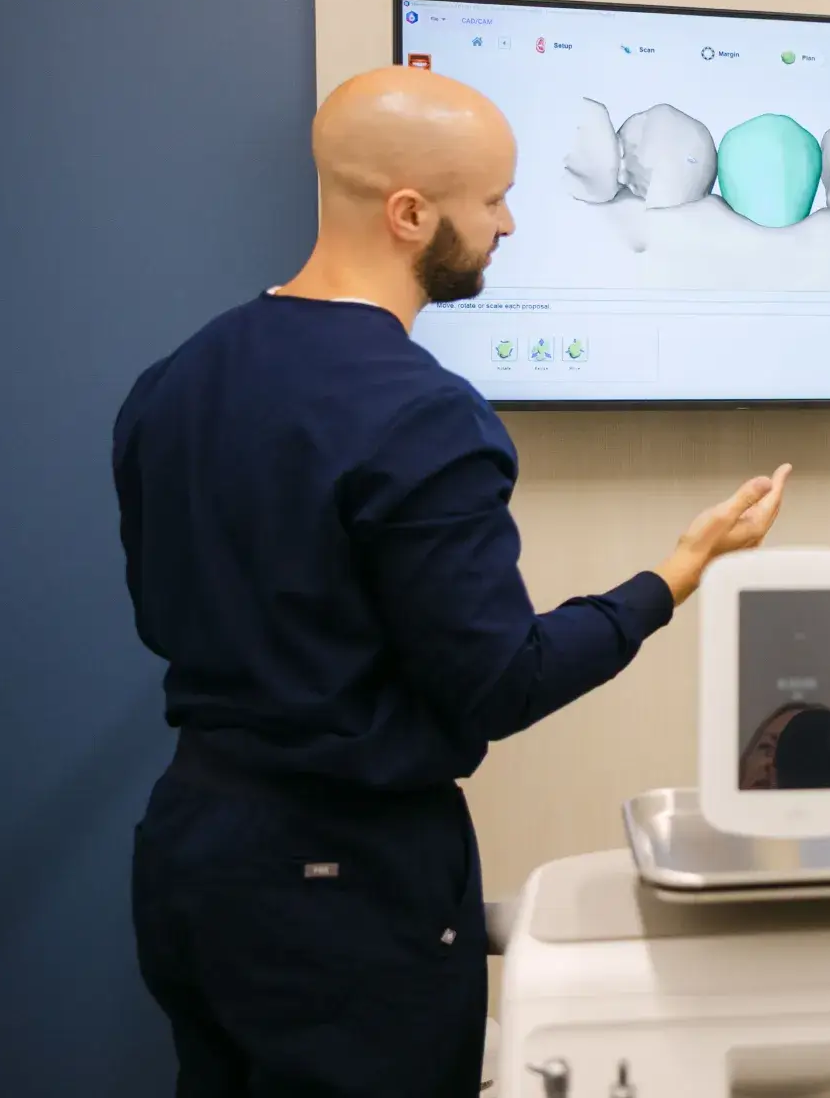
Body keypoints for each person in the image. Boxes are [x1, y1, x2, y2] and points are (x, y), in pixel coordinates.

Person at [115, 65, 792, 1096]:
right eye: (491, 201)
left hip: (189, 854)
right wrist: (674, 574)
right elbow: (498, 682)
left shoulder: (172, 382)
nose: (508, 224)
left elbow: (163, 616)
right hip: (341, 893)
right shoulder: (421, 414)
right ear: (408, 212)